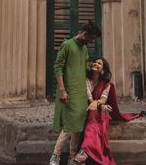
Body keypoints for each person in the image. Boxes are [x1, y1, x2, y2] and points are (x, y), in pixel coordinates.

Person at [49, 20, 101, 165]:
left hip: (81, 93)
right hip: (69, 91)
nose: (91, 42)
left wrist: (96, 72)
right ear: (85, 34)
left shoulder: (84, 50)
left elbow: (84, 68)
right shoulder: (67, 45)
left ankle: (73, 157)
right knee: (69, 125)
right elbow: (57, 67)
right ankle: (55, 156)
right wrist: (62, 90)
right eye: (91, 39)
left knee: (78, 125)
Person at [71, 58, 140, 165]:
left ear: (103, 70)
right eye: (95, 62)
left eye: (99, 63)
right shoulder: (86, 80)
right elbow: (86, 95)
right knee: (92, 116)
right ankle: (85, 151)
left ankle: (84, 150)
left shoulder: (106, 84)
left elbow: (103, 99)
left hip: (101, 110)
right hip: (86, 109)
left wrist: (97, 103)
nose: (95, 64)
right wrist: (91, 103)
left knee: (95, 120)